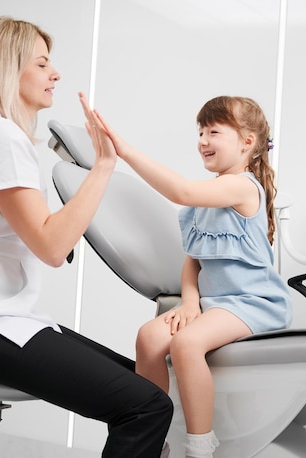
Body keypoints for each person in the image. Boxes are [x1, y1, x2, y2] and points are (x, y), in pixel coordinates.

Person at [0, 17, 173, 458]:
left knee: (142, 389)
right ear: (6, 70)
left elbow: (28, 234)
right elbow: (52, 247)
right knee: (145, 407)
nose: (55, 73)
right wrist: (103, 166)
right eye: (42, 63)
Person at [80, 94, 293, 458]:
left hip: (253, 302)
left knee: (185, 344)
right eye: (200, 132)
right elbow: (193, 261)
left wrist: (125, 151)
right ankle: (153, 437)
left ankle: (199, 446)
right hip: (215, 304)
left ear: (247, 142)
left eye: (214, 131)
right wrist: (191, 302)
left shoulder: (241, 186)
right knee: (148, 337)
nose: (203, 141)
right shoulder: (208, 200)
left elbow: (181, 190)